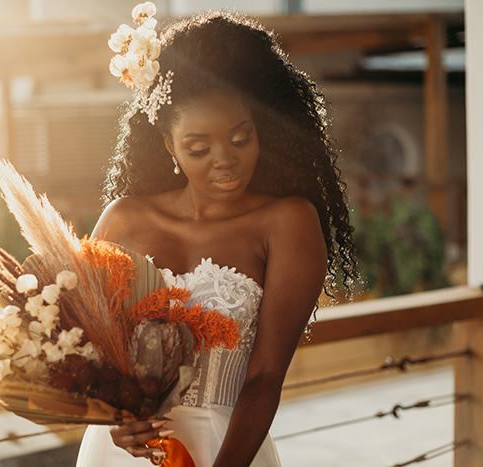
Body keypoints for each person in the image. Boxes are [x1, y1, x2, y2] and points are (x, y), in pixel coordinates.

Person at [78, 6, 358, 467]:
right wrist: (111, 417)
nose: (224, 159)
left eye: (241, 138)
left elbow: (265, 375)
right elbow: (87, 348)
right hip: (120, 453)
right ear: (169, 146)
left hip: (226, 448)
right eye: (199, 148)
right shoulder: (123, 220)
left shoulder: (288, 222)